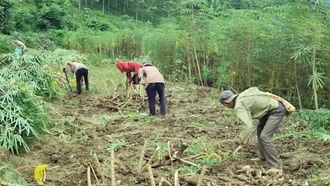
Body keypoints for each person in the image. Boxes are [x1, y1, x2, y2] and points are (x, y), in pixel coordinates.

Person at [219, 87, 289, 170]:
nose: (226, 107)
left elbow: (248, 126)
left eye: (225, 105)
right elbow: (254, 89)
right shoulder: (242, 96)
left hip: (276, 110)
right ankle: (263, 156)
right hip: (267, 110)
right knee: (260, 130)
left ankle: (275, 165)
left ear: (227, 102)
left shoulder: (239, 105)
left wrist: (242, 143)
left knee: (265, 136)